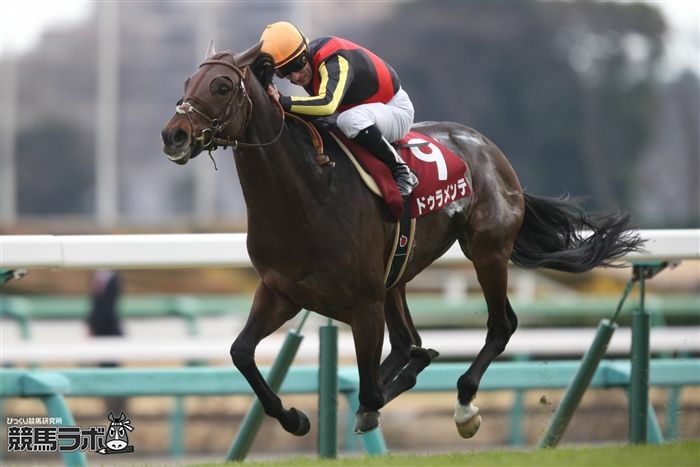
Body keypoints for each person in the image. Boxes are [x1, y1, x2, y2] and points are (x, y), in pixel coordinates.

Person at [260, 21, 419, 198]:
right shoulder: (309, 66)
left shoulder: (335, 58)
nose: (296, 76)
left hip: (395, 110)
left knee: (348, 121)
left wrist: (283, 101)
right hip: (367, 112)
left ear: (306, 52)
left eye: (297, 65)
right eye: (285, 73)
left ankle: (402, 171)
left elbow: (327, 105)